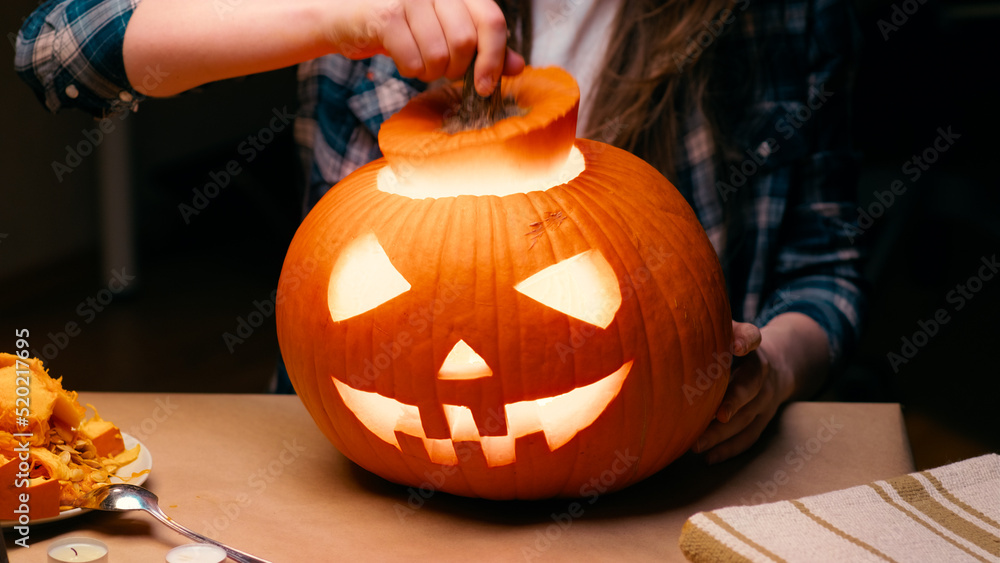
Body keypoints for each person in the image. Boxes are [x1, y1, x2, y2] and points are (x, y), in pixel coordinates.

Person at [15, 0, 865, 465]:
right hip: (352, 466)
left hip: (669, 472)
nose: (469, 368)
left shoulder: (777, 15)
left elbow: (824, 269)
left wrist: (776, 369)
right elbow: (57, 51)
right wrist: (328, 15)